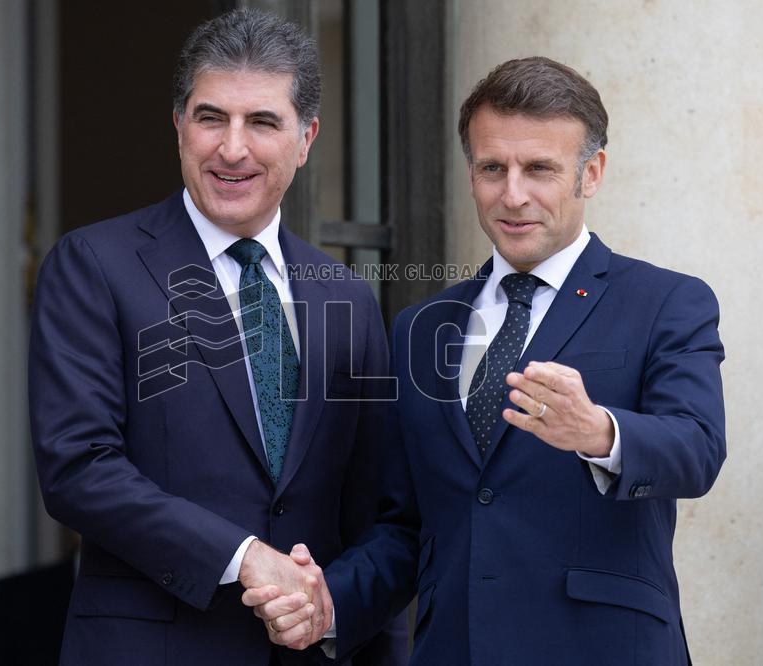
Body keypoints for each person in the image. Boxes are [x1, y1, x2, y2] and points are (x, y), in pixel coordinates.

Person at [248, 56, 726, 665]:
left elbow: (698, 448)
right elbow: (406, 525)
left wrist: (599, 431)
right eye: (492, 168)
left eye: (540, 169)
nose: (513, 194)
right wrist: (331, 602)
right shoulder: (420, 329)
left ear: (592, 173)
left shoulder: (667, 301)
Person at [29, 9, 406, 665]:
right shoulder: (95, 264)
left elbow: (376, 516)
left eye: (262, 122)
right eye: (211, 118)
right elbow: (78, 468)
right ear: (179, 125)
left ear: (306, 137)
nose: (233, 148)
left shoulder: (344, 295)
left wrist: (333, 608)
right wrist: (243, 558)